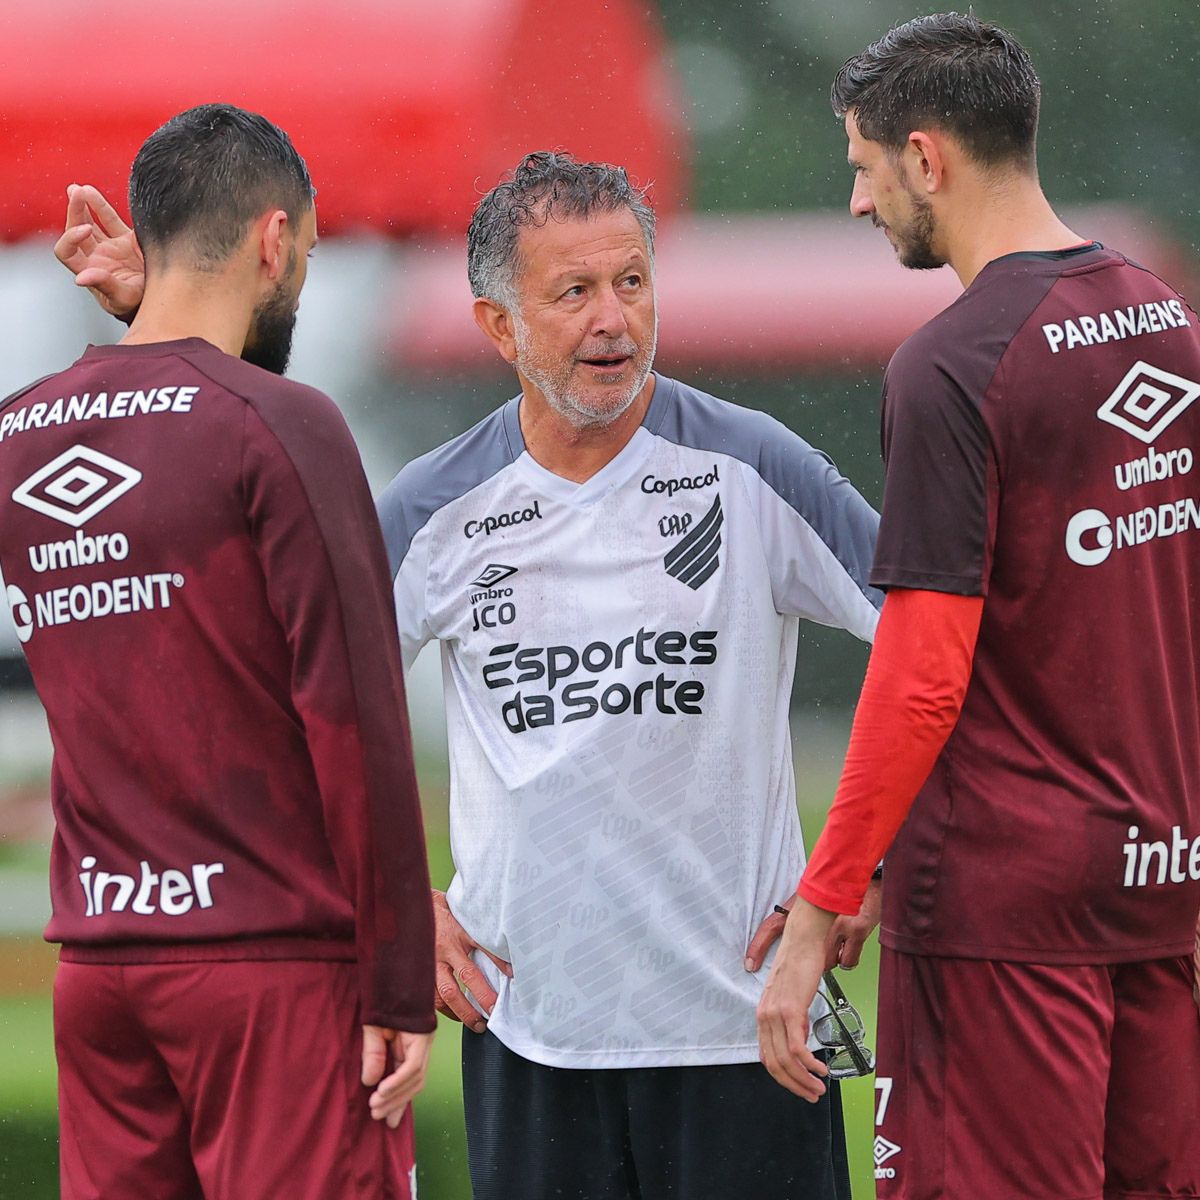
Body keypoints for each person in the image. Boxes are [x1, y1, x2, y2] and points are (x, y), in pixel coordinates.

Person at [375, 151, 882, 1200]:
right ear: (499, 328)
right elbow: (296, 719)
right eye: (574, 292)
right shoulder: (431, 508)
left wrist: (869, 869)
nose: (614, 320)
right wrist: (386, 903)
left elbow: (943, 648)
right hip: (533, 1043)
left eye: (633, 282)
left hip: (750, 1033)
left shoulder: (755, 466)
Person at [758, 14, 1200, 1199]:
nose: (859, 203)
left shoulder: (953, 362)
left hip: (1008, 912)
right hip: (1160, 881)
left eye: (862, 168)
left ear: (927, 158)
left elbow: (922, 672)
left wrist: (824, 901)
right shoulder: (1168, 319)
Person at [7, 103, 437, 1199]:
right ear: (274, 240)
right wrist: (399, 984)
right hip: (271, 965)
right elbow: (359, 720)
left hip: (102, 970)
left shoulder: (19, 435)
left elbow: (163, 415)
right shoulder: (281, 424)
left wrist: (153, 312)